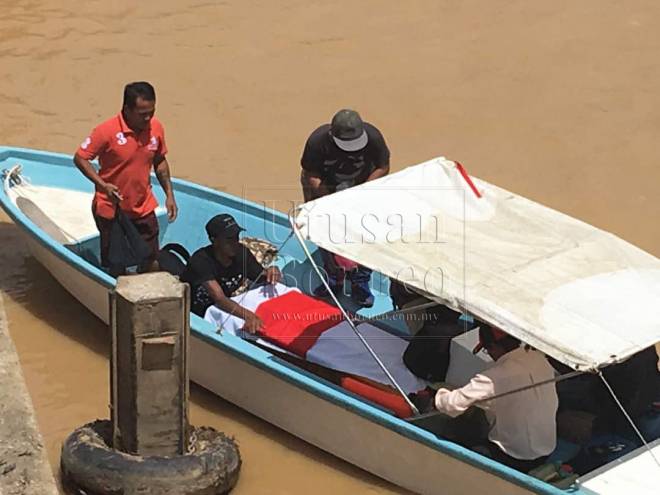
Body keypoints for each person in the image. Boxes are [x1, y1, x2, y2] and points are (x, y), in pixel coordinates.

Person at [73, 81, 178, 273]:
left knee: (151, 256)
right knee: (116, 263)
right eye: (142, 114)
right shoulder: (105, 131)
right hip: (111, 208)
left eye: (151, 112)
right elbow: (80, 158)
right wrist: (103, 185)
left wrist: (169, 194)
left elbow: (160, 161)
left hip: (143, 206)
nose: (148, 118)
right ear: (127, 109)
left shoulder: (156, 128)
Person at [433, 325, 559, 472]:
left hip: (514, 456)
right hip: (547, 448)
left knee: (462, 428)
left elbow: (451, 406)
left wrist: (439, 394)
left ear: (494, 346)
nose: (490, 355)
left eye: (487, 350)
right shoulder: (540, 360)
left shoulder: (493, 378)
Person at [300, 109, 390, 306]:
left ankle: (360, 282)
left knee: (367, 237)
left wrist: (363, 191)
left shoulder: (373, 137)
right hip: (326, 190)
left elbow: (383, 166)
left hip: (361, 190)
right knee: (323, 235)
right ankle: (333, 277)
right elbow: (310, 173)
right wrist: (328, 201)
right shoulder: (317, 141)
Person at [181, 214, 281, 333]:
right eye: (229, 239)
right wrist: (248, 315)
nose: (235, 242)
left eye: (236, 237)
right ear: (214, 240)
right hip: (196, 312)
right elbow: (219, 298)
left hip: (224, 309)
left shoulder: (241, 253)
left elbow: (260, 277)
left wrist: (272, 270)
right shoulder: (201, 260)